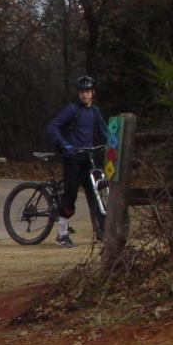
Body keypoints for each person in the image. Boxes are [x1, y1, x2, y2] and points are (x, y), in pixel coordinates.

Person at [47, 75, 107, 248]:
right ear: (79, 93)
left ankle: (102, 230)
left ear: (93, 92)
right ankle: (62, 234)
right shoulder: (72, 109)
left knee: (94, 193)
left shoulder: (95, 111)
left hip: (88, 158)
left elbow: (103, 132)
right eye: (82, 91)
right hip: (72, 158)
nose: (85, 95)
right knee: (70, 196)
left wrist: (114, 145)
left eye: (88, 91)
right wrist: (64, 144)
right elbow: (53, 126)